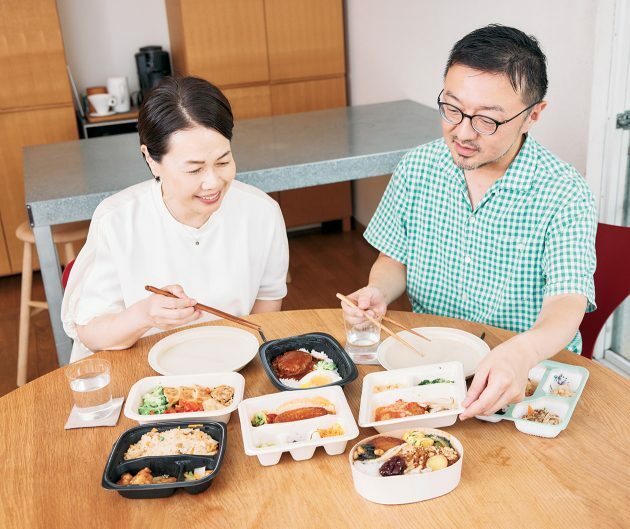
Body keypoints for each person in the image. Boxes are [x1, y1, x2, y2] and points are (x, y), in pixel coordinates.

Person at [341, 25, 597, 419]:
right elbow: (394, 260)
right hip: (435, 365)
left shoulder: (564, 192)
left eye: (487, 121)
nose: (462, 132)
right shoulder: (418, 168)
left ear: (532, 115)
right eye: (452, 108)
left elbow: (567, 301)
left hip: (526, 375)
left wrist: (523, 351)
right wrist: (378, 290)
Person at [62, 76, 289, 362]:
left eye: (223, 161)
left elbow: (268, 301)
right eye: (194, 170)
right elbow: (91, 334)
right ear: (151, 159)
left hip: (232, 367)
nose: (213, 183)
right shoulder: (118, 220)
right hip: (140, 373)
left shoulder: (261, 212)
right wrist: (143, 315)